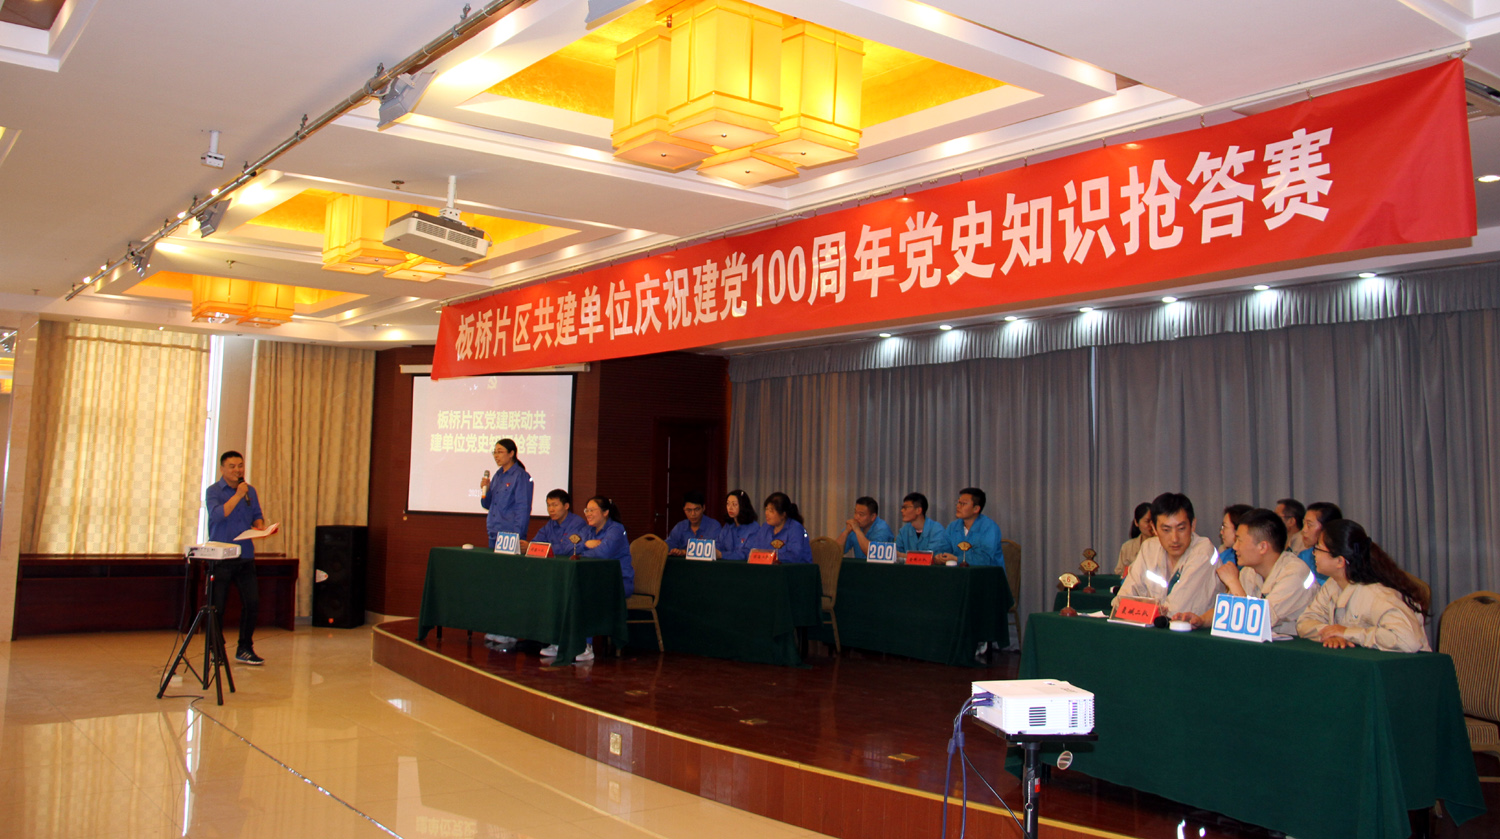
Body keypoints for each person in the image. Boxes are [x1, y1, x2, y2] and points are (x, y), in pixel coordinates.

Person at [1174, 508, 1317, 636]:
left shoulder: (1295, 573)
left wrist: (1233, 582)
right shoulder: (1250, 570)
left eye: (1239, 540)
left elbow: (1257, 622)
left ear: (1262, 547)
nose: (1235, 547)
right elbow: (1229, 611)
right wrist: (1201, 620)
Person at [1296, 519, 1430, 652]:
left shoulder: (1378, 595)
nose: (1314, 554)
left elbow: (1408, 641)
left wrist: (1348, 633)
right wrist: (1331, 634)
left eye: (1318, 548)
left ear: (1340, 561)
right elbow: (1304, 622)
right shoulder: (1332, 584)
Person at [543, 496, 633, 663]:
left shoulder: (616, 530)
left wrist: (580, 552)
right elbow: (567, 548)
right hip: (592, 580)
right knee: (564, 590)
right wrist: (585, 544)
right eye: (586, 510)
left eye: (592, 510)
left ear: (605, 513)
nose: (588, 514)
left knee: (585, 594)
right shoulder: (587, 530)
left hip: (618, 583)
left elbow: (602, 553)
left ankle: (586, 645)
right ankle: (560, 641)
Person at [1112, 492, 1221, 617]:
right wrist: (1152, 611)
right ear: (1154, 529)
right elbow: (1121, 602)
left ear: (1193, 525)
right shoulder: (1149, 548)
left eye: (1181, 528)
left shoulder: (1204, 552)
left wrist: (1143, 609)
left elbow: (1176, 610)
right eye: (1166, 530)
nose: (1175, 538)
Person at [205, 451, 267, 666]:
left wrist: (260, 526)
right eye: (232, 466)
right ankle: (216, 648)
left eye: (240, 465)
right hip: (221, 557)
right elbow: (218, 515)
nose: (237, 470)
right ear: (222, 469)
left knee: (252, 603)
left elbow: (257, 515)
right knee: (217, 607)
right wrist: (238, 495)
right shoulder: (213, 491)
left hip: (245, 555)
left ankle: (245, 648)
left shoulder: (250, 491)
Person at [480, 438, 534, 550]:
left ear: (511, 453)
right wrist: (487, 490)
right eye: (494, 452)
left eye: (500, 452)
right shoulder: (498, 475)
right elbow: (487, 505)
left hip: (510, 535)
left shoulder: (520, 476)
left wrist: (517, 536)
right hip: (494, 533)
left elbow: (523, 508)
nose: (496, 456)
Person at [937, 487, 1002, 566]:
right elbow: (942, 549)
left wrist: (957, 559)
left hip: (986, 573)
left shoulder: (989, 528)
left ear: (976, 509)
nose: (958, 506)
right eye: (958, 502)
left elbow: (985, 559)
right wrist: (939, 557)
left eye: (963, 503)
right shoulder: (952, 526)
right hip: (957, 572)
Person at [743, 492, 811, 563]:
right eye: (766, 509)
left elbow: (794, 556)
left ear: (783, 514)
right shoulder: (765, 527)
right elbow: (755, 550)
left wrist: (771, 556)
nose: (766, 513)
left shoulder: (795, 528)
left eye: (771, 511)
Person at [526, 489, 590, 556]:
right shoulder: (550, 524)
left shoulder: (577, 523)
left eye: (555, 505)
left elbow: (567, 548)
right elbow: (537, 541)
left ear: (566, 506)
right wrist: (529, 546)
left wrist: (543, 549)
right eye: (548, 505)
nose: (551, 509)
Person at [1297, 501, 1342, 583]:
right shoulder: (1304, 556)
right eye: (1304, 524)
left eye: (1309, 525)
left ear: (1326, 528)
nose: (1303, 530)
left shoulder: (1340, 559)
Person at [666, 490, 722, 555]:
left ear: (703, 508)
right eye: (689, 510)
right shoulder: (680, 527)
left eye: (697, 509)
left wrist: (684, 552)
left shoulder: (714, 526)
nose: (693, 514)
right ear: (684, 509)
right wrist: (674, 551)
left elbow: (715, 550)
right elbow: (668, 545)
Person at [716, 489, 758, 560]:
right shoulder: (728, 525)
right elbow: (718, 544)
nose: (730, 508)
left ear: (743, 506)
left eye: (734, 504)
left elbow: (747, 553)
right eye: (728, 504)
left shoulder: (754, 528)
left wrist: (722, 555)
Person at [1114, 502, 1155, 575]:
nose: (1151, 525)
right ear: (1136, 522)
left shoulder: (1162, 545)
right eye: (1147, 521)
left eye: (1153, 521)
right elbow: (1119, 572)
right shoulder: (1127, 547)